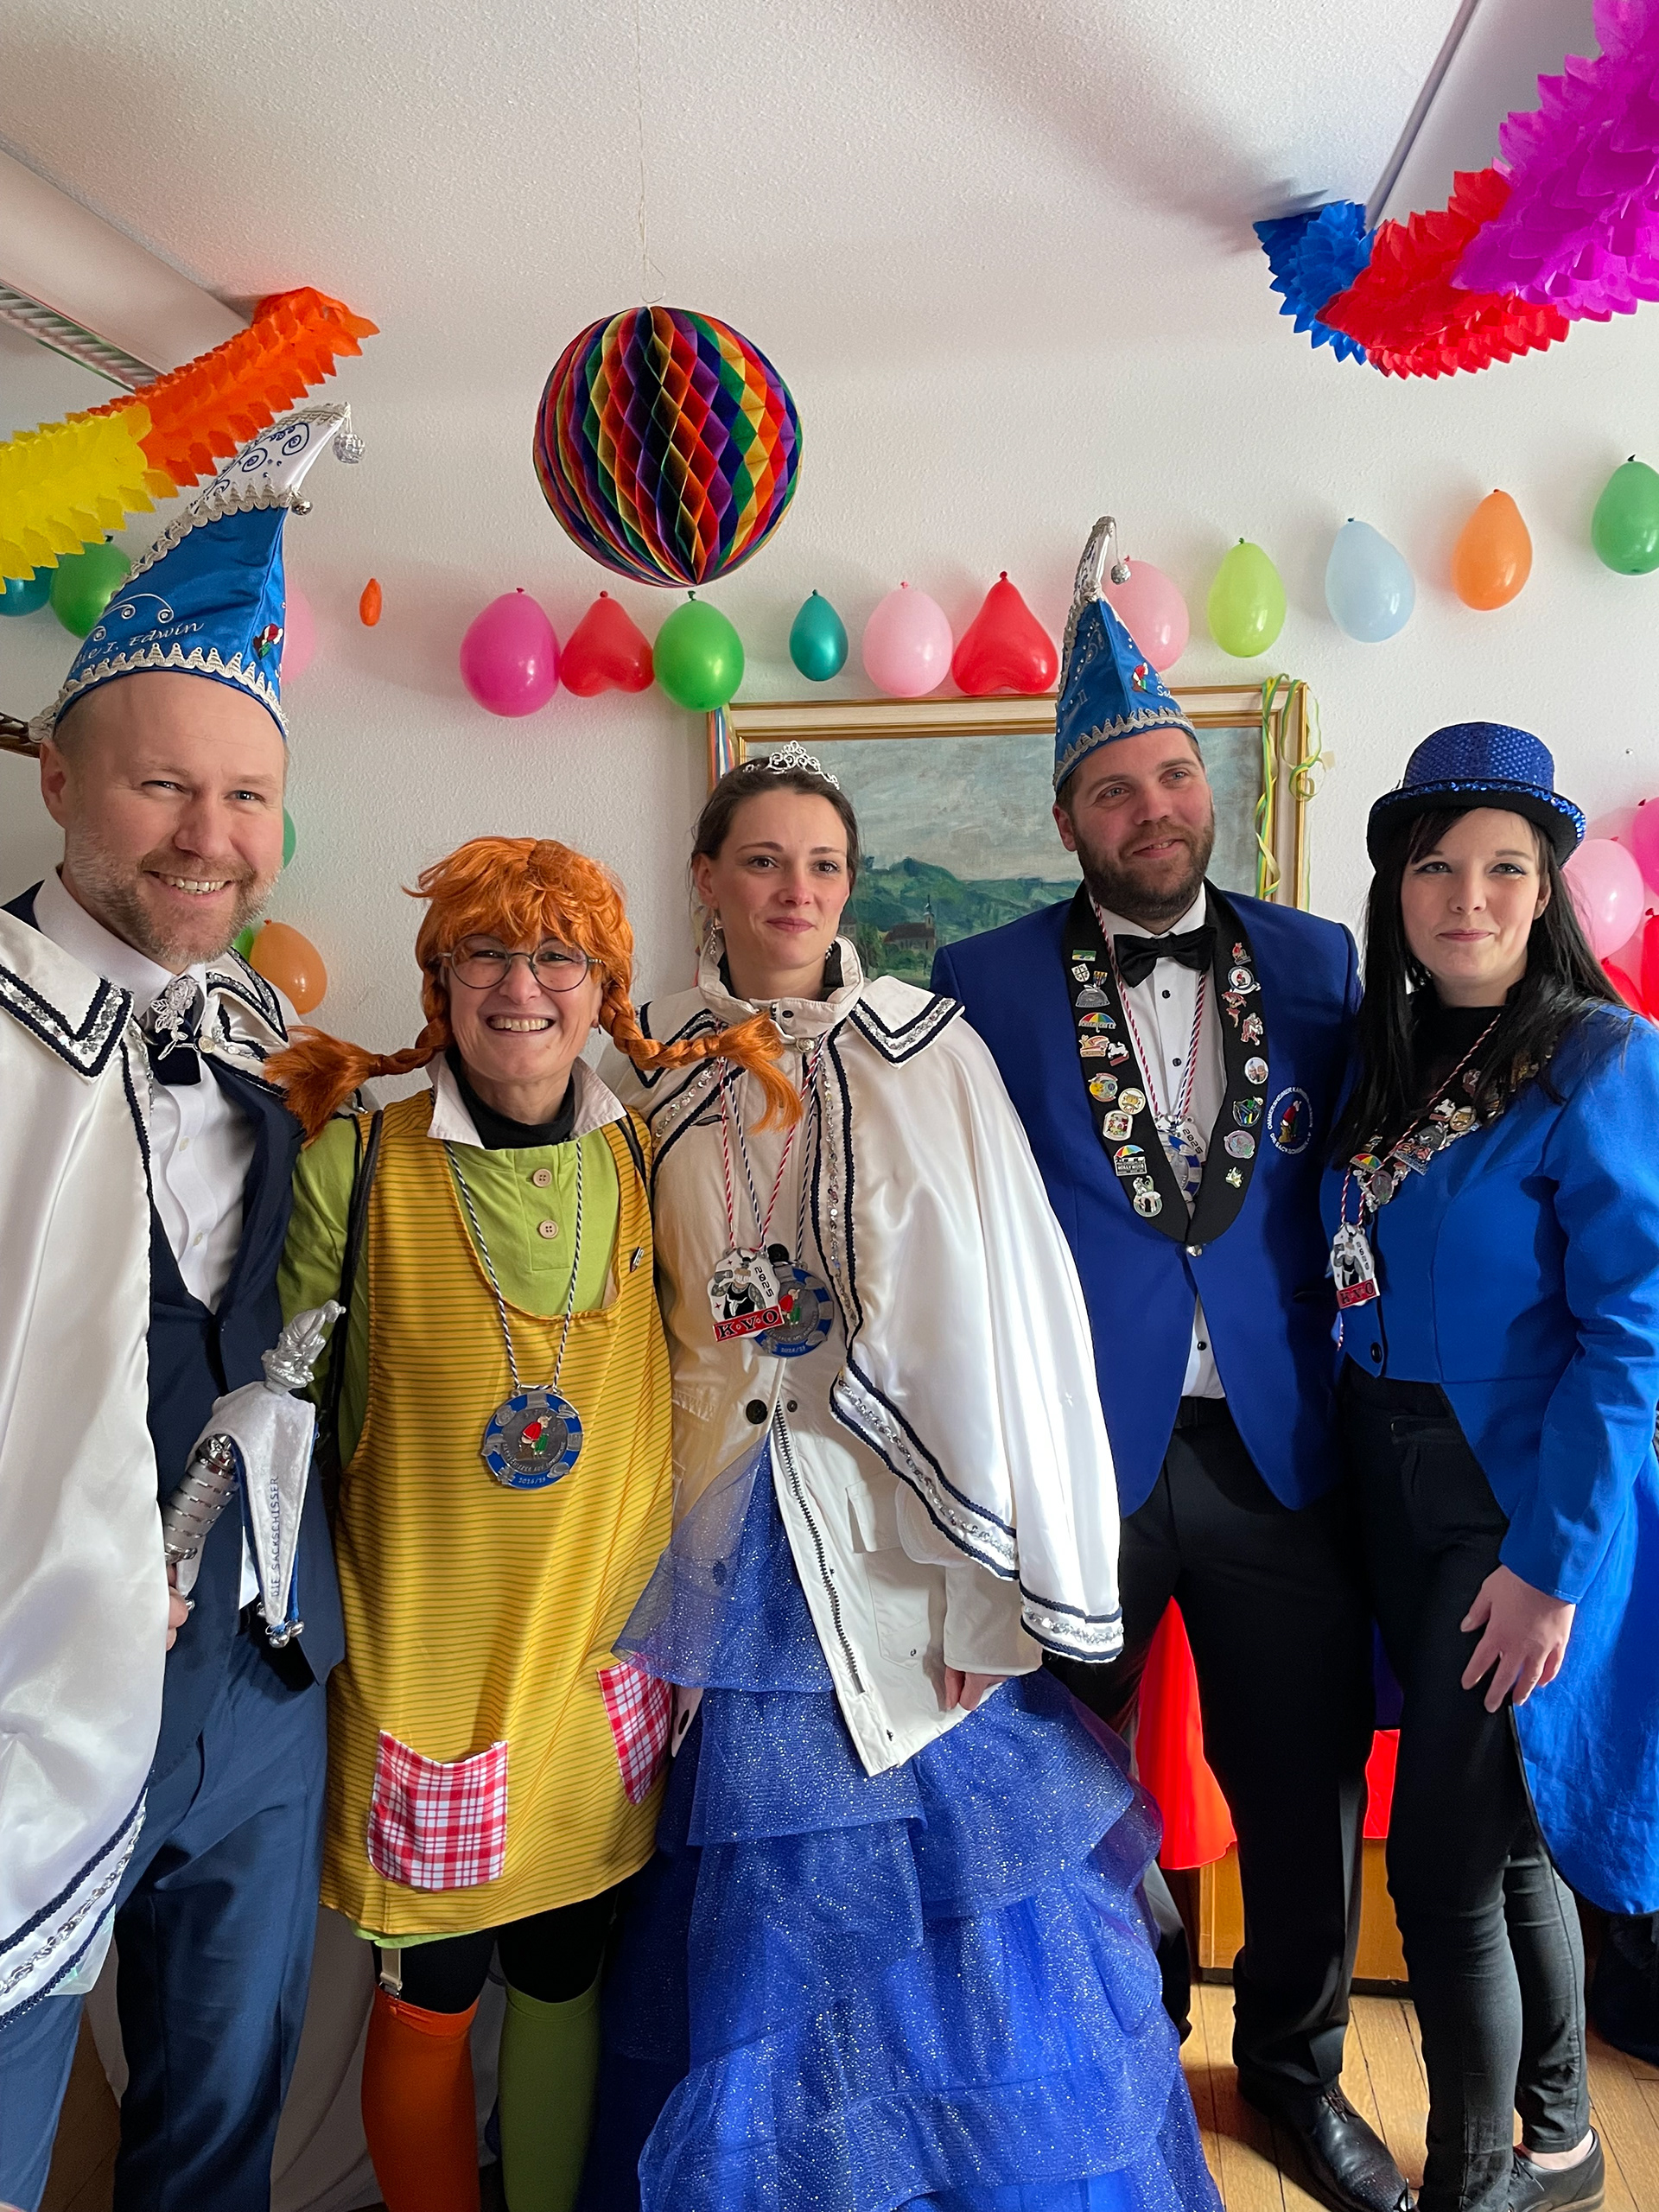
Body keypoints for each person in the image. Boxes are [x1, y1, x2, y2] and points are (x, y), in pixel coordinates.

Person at [580, 744, 1223, 2212]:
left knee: (957, 1909)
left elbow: (1006, 1316)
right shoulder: (647, 1071)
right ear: (706, 879)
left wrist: (996, 1594)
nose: (795, 890)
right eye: (762, 861)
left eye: (823, 865)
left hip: (908, 1544)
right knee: (764, 1903)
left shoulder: (929, 1050)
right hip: (727, 1544)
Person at [933, 520, 1407, 2212]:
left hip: (1280, 1449)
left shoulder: (1319, 961)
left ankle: (1295, 2068)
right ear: (1068, 818)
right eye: (1114, 790)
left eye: (1171, 776)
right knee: (1069, 1779)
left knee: (1301, 1783)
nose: (1152, 809)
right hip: (1080, 1457)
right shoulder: (981, 982)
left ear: (1205, 787)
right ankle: (1120, 2049)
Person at [270, 835, 789, 2212]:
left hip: (595, 1679)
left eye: (558, 956)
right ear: (439, 981)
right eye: (486, 954)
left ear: (602, 987)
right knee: (428, 2000)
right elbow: (276, 1425)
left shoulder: (643, 1153)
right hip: (426, 1685)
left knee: (565, 1980)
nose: (521, 986)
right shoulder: (354, 1166)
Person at [0, 409, 358, 2212]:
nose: (212, 838)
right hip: (25, 1689)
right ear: (59, 783)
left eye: (248, 798)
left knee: (219, 2134)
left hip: (263, 1677)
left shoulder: (275, 1048)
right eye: (162, 788)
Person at [1325, 723, 1659, 2212]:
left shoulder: (1603, 1060)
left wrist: (1549, 1569)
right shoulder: (1382, 1058)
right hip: (1383, 1480)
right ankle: (1563, 2141)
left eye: (1504, 868)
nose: (1468, 896)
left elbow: (1634, 1337)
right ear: (1396, 887)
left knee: (1443, 1863)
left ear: (1548, 889)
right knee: (1509, 1839)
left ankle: (1473, 2181)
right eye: (1436, 867)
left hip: (1516, 1501)